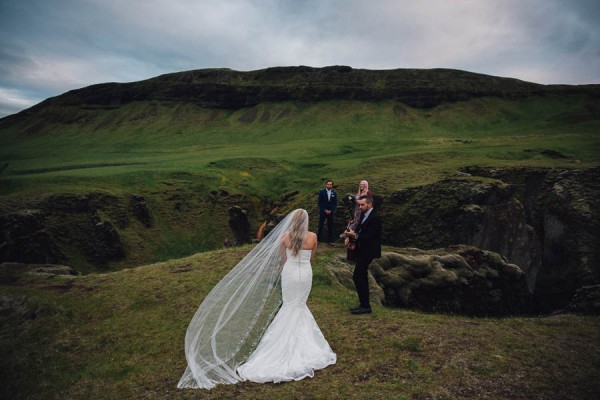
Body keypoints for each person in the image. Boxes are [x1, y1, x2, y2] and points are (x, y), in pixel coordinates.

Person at [178, 209, 336, 389]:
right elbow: (311, 258)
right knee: (299, 305)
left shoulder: (285, 236)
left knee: (290, 305)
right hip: (305, 274)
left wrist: (292, 261)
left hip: (290, 273)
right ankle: (306, 343)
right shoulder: (313, 237)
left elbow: (283, 258)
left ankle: (280, 344)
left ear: (292, 221)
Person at [344, 195, 382, 315]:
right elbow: (359, 232)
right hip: (362, 250)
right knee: (360, 276)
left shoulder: (375, 217)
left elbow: (370, 237)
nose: (360, 207)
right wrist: (350, 237)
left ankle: (365, 306)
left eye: (362, 205)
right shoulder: (364, 215)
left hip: (368, 251)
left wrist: (354, 236)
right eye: (359, 205)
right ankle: (364, 304)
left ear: (369, 204)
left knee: (358, 276)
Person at [317, 179, 337, 246]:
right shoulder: (321, 192)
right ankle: (318, 240)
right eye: (328, 184)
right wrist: (324, 210)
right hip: (323, 212)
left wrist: (331, 210)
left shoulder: (334, 193)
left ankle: (330, 241)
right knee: (320, 226)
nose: (329, 185)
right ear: (326, 185)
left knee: (330, 226)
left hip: (330, 212)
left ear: (332, 185)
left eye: (330, 184)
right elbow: (320, 203)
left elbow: (335, 203)